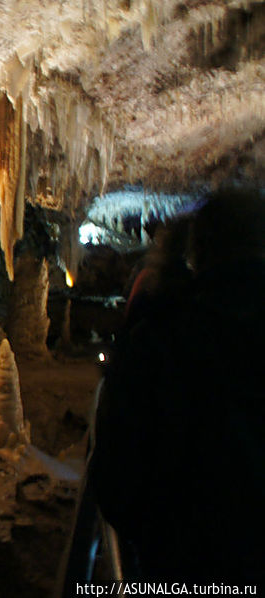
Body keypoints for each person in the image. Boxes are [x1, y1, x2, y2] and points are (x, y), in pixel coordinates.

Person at [88, 188, 265, 582]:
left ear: (198, 253)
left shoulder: (163, 339)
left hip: (186, 563)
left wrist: (156, 538)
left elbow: (117, 474)